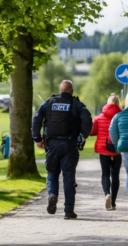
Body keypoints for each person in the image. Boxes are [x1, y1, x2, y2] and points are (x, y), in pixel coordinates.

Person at [32, 80, 93, 220]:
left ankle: (52, 194)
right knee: (68, 176)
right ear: (72, 91)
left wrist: (37, 138)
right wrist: (81, 137)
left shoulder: (49, 102)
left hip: (52, 145)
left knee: (52, 172)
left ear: (60, 90)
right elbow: (88, 121)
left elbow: (36, 119)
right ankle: (68, 211)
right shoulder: (76, 104)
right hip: (69, 144)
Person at [90, 93, 122, 211]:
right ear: (118, 103)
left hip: (103, 150)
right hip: (116, 150)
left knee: (105, 174)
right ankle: (113, 203)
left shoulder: (98, 118)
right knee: (115, 176)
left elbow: (92, 133)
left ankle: (106, 194)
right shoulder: (121, 117)